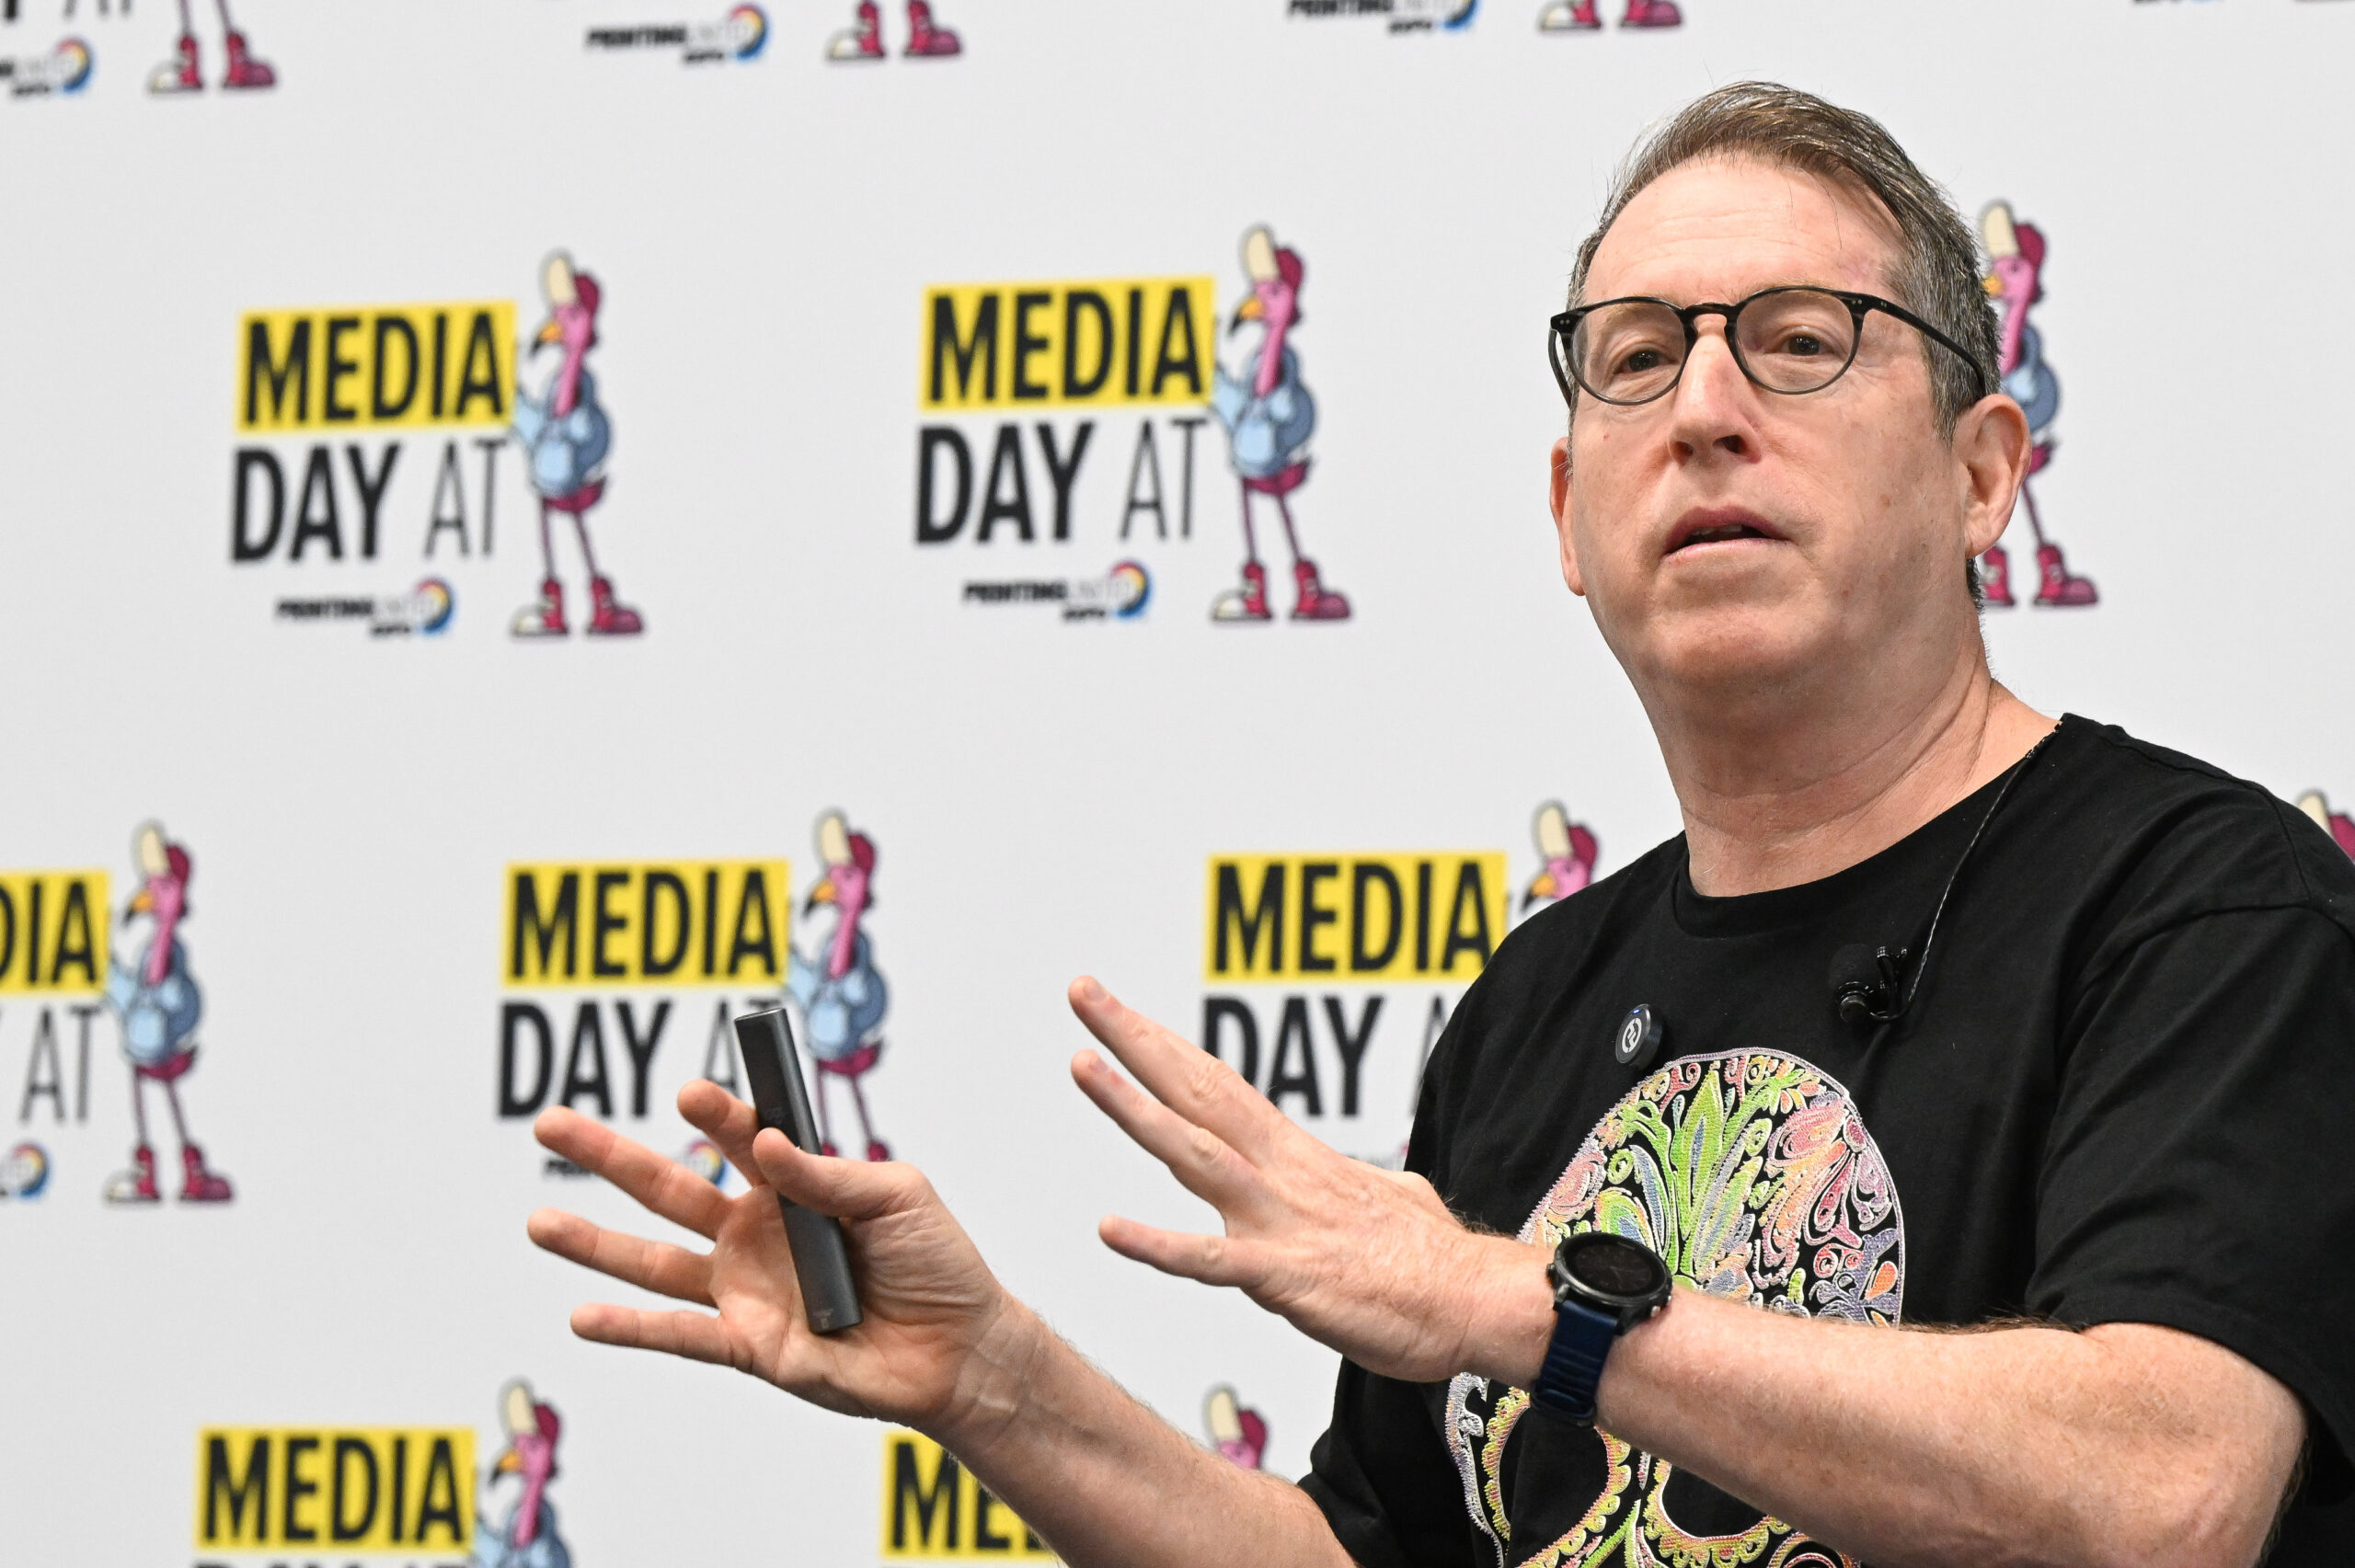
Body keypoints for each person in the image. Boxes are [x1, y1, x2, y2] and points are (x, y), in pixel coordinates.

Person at [523, 84, 2355, 1567]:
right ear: (1567, 516)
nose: (1702, 409)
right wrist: (988, 1380)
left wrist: (1518, 1306)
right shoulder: (1541, 992)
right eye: (1633, 357)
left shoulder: (2202, 909)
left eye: (1797, 340)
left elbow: (2157, 1495)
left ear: (1980, 472)